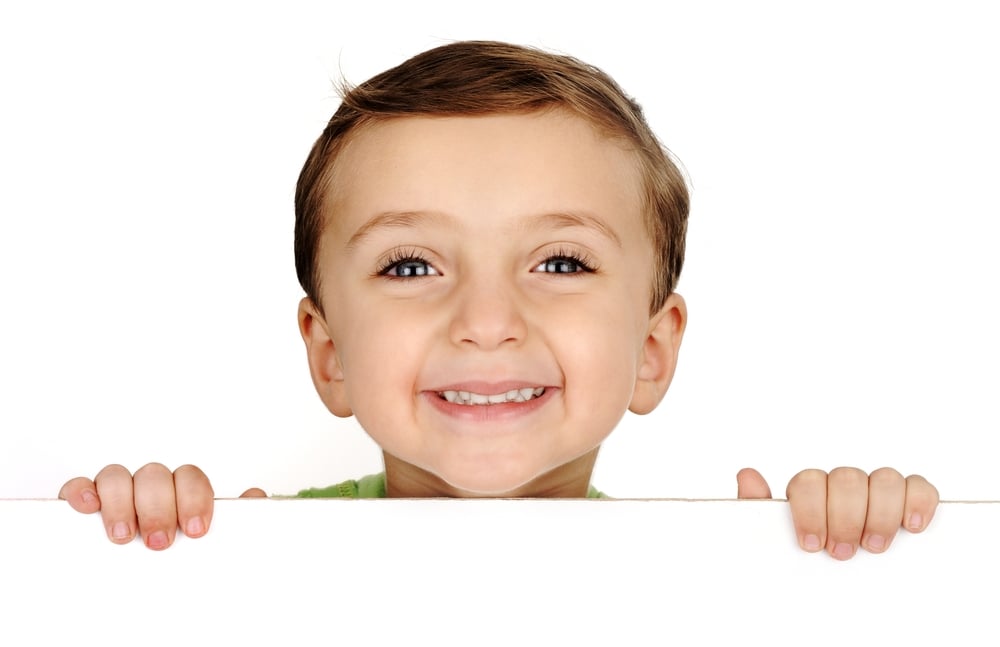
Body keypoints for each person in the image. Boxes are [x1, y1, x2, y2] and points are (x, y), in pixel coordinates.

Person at [58, 41, 938, 559]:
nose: (485, 322)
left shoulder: (701, 577)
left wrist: (831, 577)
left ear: (651, 349)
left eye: (559, 263)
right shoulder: (255, 557)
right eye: (410, 266)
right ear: (328, 353)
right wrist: (149, 556)